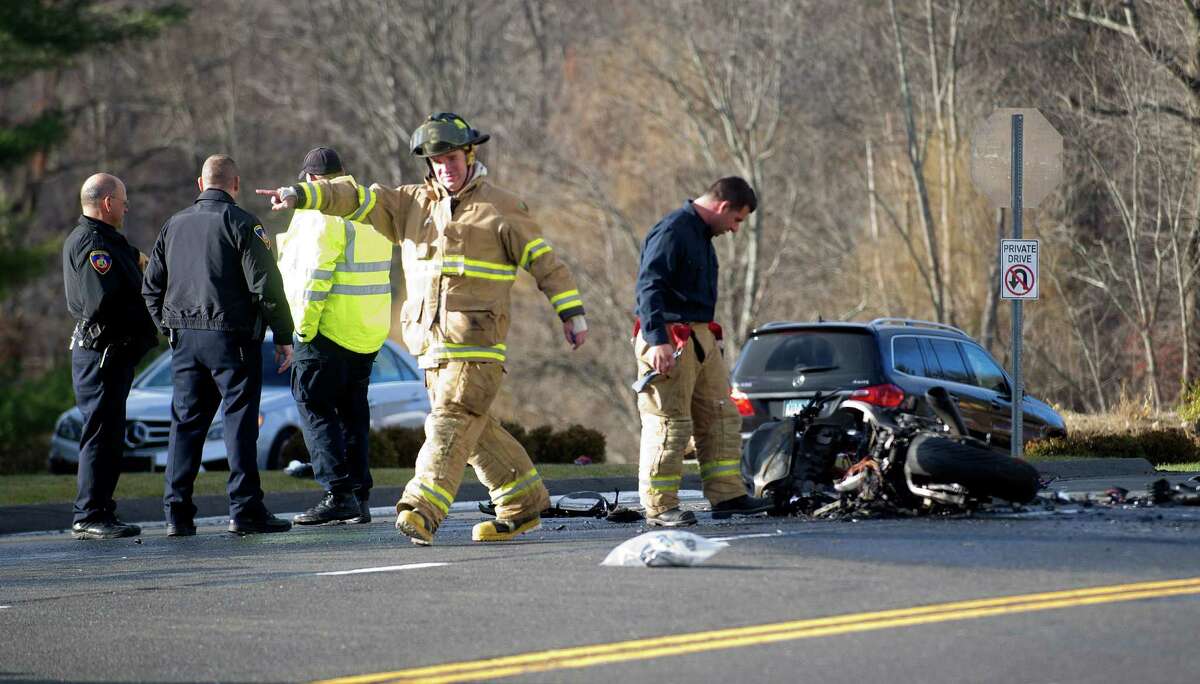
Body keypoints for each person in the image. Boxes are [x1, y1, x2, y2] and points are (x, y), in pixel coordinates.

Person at [258, 112, 588, 545]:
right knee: (474, 430)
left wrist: (572, 313)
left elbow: (545, 262)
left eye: (452, 158)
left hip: (476, 346)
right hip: (430, 347)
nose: (445, 168)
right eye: (437, 161)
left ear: (470, 155)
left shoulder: (501, 208)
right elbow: (356, 197)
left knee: (448, 424)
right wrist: (300, 194)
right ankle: (522, 502)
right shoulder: (411, 204)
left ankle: (421, 509)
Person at [142, 154, 295, 536]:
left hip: (185, 341)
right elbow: (266, 285)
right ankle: (244, 510)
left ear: (200, 184)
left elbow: (151, 287)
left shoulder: (172, 225)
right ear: (236, 184)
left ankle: (177, 514)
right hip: (232, 338)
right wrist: (283, 335)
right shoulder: (242, 223)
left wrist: (169, 328)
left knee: (186, 425)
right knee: (239, 423)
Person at [633, 176, 772, 526]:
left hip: (698, 337)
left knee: (721, 417)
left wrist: (711, 341)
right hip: (669, 336)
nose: (735, 229)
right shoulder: (674, 231)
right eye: (736, 220)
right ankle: (660, 507)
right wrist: (658, 340)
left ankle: (728, 496)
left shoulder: (701, 236)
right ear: (723, 207)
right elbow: (649, 287)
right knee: (669, 423)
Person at [278, 147, 393, 525]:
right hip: (367, 331)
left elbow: (315, 278)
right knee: (353, 413)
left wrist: (303, 329)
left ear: (311, 181)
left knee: (313, 403)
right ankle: (359, 496)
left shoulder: (324, 215)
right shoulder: (368, 207)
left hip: (328, 330)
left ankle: (337, 492)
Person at [62, 173, 159, 540]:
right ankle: (89, 513)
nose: (127, 206)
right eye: (123, 199)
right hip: (101, 352)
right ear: (107, 204)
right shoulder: (91, 244)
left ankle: (101, 508)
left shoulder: (107, 241)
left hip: (112, 354)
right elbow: (101, 302)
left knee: (109, 433)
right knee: (100, 434)